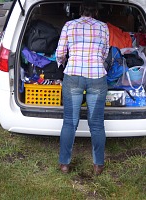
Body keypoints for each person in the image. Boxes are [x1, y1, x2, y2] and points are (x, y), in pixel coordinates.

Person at [56, 0, 109, 175]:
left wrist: (62, 63)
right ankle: (98, 166)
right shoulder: (103, 27)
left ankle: (64, 165)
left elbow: (60, 53)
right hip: (97, 77)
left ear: (80, 9)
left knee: (70, 123)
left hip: (73, 76)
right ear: (96, 11)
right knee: (96, 124)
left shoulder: (69, 25)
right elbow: (105, 53)